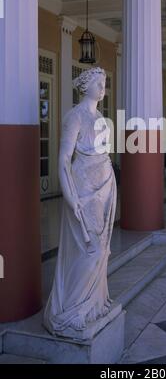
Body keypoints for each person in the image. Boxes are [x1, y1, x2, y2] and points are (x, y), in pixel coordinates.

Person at [44, 67, 116, 338]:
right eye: (98, 82)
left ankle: (94, 302)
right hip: (83, 189)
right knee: (90, 249)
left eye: (105, 82)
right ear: (85, 87)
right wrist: (70, 196)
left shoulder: (101, 118)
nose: (103, 87)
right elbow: (63, 159)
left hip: (105, 187)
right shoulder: (74, 117)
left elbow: (104, 154)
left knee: (103, 248)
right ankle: (72, 308)